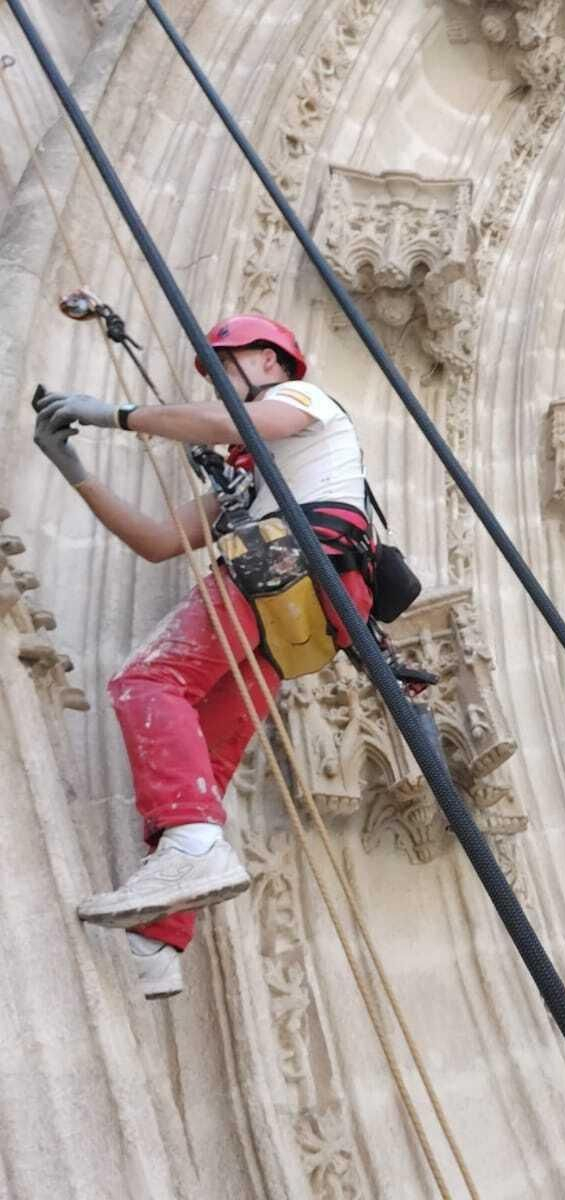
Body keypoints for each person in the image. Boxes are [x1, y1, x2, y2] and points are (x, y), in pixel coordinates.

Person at [31, 314, 376, 1000]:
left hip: (290, 560)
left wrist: (116, 415)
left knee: (146, 681)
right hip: (307, 608)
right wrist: (73, 470)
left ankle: (191, 847)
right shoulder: (246, 486)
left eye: (230, 361)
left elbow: (238, 424)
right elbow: (160, 540)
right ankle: (160, 941)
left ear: (274, 363)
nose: (219, 378)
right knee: (205, 759)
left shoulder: (306, 405)